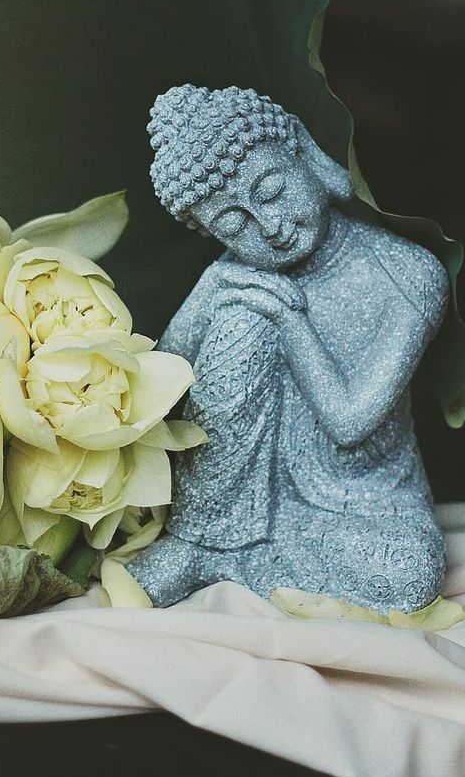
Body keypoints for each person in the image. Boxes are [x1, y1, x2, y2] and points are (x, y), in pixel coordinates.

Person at [127, 84, 449, 613]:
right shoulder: (239, 275)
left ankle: (229, 559)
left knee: (408, 576)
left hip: (368, 503)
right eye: (235, 225)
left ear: (302, 149)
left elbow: (349, 422)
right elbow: (156, 395)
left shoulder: (409, 275)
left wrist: (292, 321)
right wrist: (205, 295)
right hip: (235, 503)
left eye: (272, 190)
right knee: (240, 313)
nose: (270, 227)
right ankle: (200, 540)